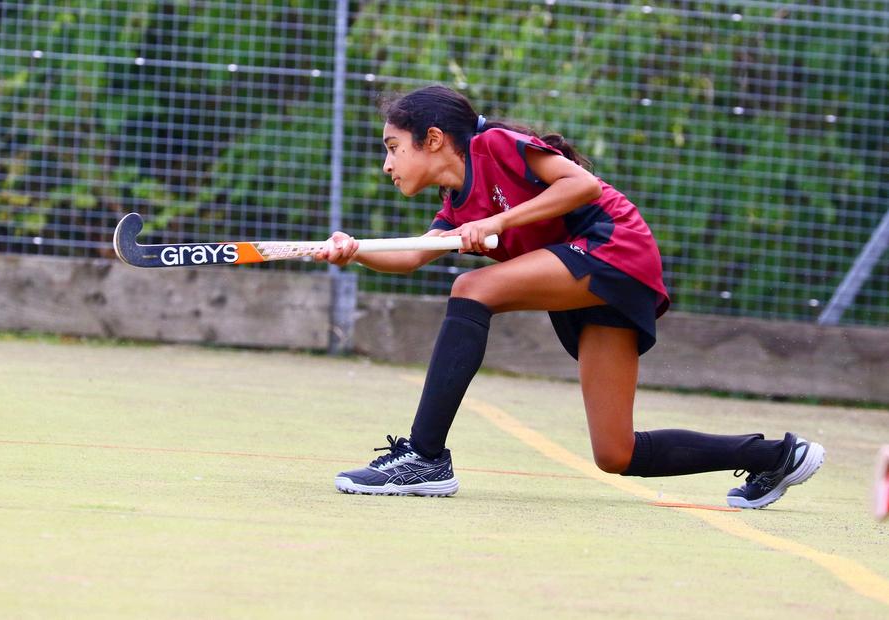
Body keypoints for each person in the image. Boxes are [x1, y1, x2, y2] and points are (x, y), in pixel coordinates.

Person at [317, 85, 824, 509]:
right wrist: (353, 251)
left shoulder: (494, 145)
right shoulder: (456, 206)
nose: (387, 164)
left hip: (613, 246)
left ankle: (424, 458)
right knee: (616, 453)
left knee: (471, 287)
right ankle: (776, 456)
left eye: (393, 147)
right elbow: (411, 255)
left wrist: (498, 222)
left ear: (432, 139)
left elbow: (582, 186)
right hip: (593, 278)